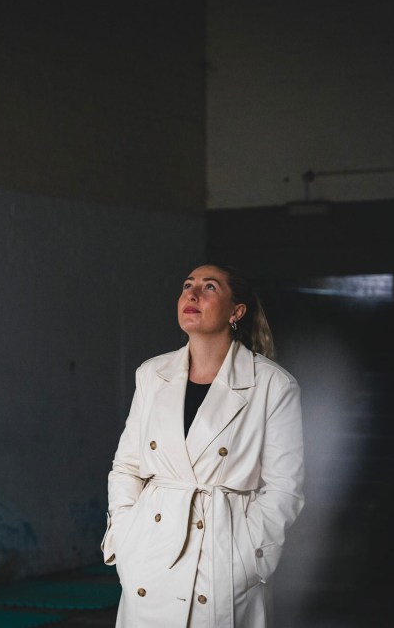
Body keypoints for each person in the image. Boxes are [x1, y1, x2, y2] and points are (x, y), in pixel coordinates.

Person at [102, 264, 304, 628]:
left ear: (236, 311)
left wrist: (248, 558)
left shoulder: (272, 385)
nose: (192, 295)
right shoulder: (152, 374)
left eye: (209, 287)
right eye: (187, 286)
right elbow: (127, 466)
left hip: (224, 560)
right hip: (150, 554)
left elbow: (284, 488)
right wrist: (125, 536)